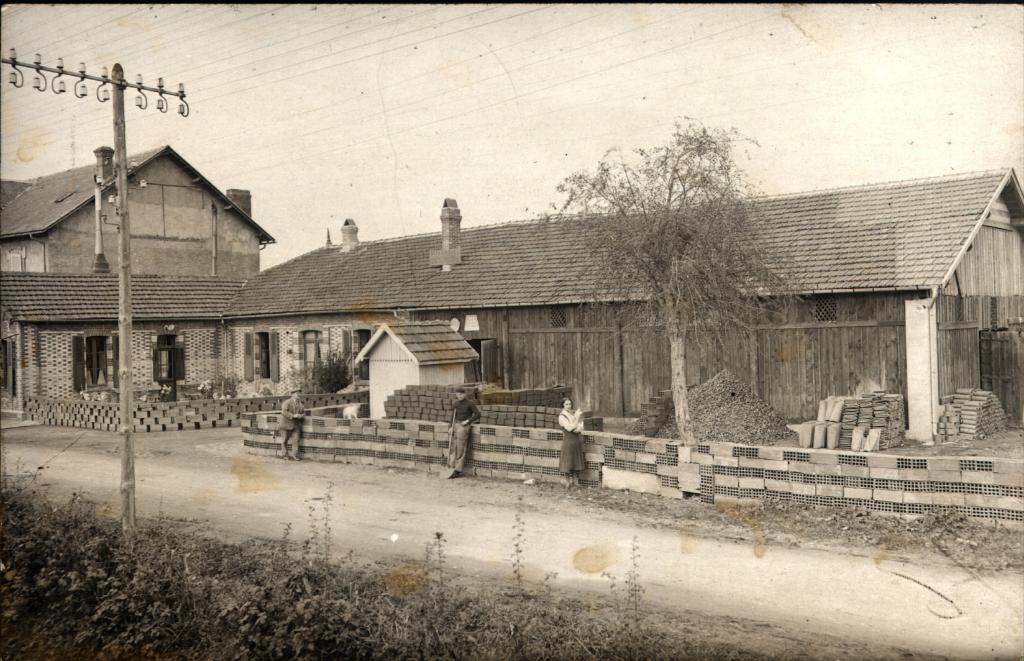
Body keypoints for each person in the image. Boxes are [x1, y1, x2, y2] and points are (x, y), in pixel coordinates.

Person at [445, 386, 480, 478]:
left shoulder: (470, 404)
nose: (459, 396)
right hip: (455, 425)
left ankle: (457, 470)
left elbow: (477, 414)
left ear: (465, 394)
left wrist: (468, 421)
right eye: (457, 395)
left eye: (460, 394)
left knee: (460, 447)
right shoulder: (456, 404)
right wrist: (450, 427)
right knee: (452, 446)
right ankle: (451, 466)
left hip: (463, 426)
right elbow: (452, 416)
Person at [558, 398, 586, 489]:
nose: (569, 406)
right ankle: (567, 482)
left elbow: (579, 428)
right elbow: (569, 428)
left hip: (576, 440)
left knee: (576, 460)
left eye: (570, 404)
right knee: (567, 462)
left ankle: (576, 481)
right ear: (563, 405)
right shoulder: (562, 416)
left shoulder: (572, 414)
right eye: (566, 404)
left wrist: (577, 425)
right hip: (568, 441)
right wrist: (576, 420)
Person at [278, 388, 305, 461]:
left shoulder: (301, 404)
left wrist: (301, 416)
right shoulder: (287, 402)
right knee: (284, 441)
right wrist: (293, 416)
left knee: (296, 440)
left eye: (299, 393)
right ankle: (285, 455)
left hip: (296, 425)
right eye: (297, 393)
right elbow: (284, 411)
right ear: (293, 394)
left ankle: (295, 455)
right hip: (285, 425)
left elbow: (303, 413)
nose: (298, 395)